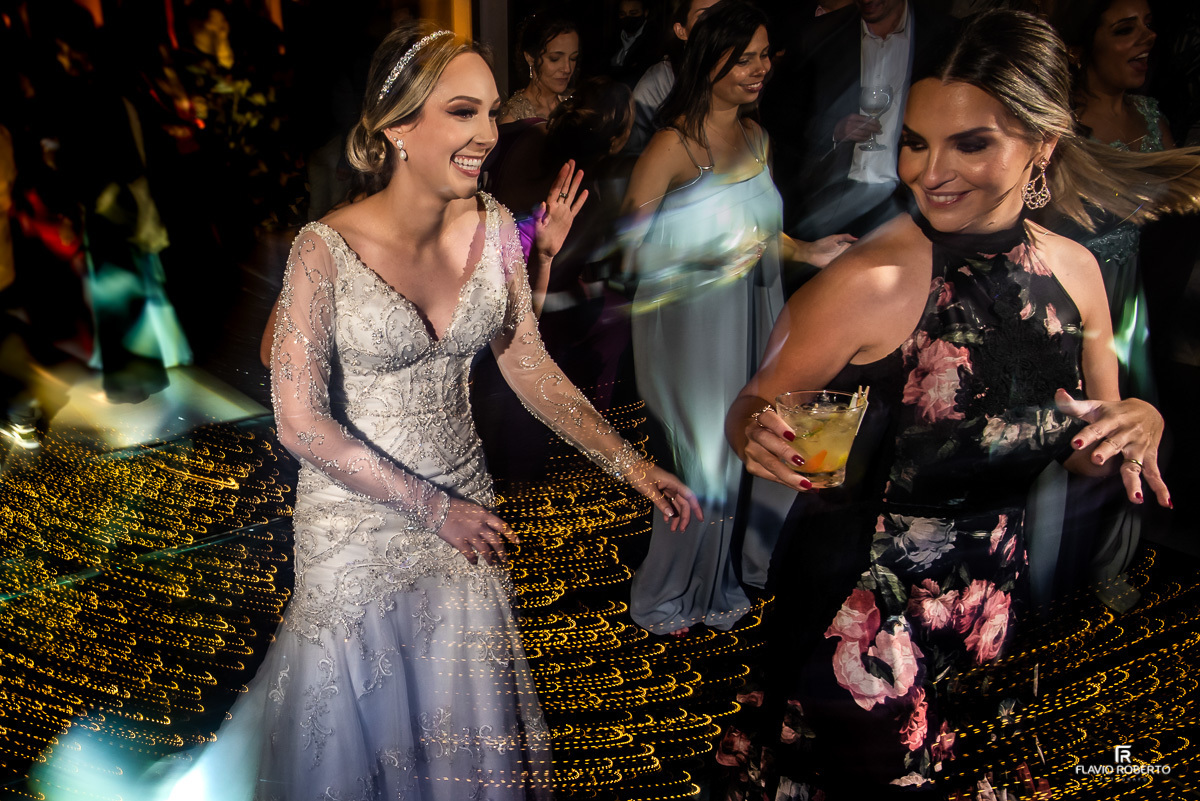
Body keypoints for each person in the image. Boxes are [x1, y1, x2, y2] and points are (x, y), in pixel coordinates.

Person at [185, 23, 702, 801]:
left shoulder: (495, 227)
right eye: (464, 112)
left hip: (466, 507)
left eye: (492, 112)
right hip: (356, 522)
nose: (487, 135)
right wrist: (435, 508)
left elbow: (527, 364)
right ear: (398, 127)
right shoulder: (321, 250)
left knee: (457, 726)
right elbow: (298, 423)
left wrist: (633, 465)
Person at [725, 10, 1195, 796]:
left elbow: (1087, 446)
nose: (926, 170)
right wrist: (751, 429)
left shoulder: (1078, 276)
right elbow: (755, 403)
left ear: (1042, 143)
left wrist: (1141, 421)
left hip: (990, 610)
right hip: (860, 615)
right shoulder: (867, 281)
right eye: (915, 139)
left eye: (970, 142)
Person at [620, 1, 855, 638]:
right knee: (704, 461)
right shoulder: (674, 147)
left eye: (763, 55)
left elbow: (761, 232)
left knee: (758, 437)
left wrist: (808, 250)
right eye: (745, 57)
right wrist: (707, 253)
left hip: (757, 309)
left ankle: (734, 571)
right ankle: (671, 589)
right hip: (694, 325)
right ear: (710, 59)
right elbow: (631, 253)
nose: (760, 69)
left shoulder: (756, 137)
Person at [762, 0, 956, 239]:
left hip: (908, 203)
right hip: (830, 202)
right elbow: (778, 113)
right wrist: (832, 129)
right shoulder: (820, 33)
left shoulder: (945, 35)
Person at [626, 0, 721, 154]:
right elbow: (635, 149)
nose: (717, 23)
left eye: (724, 14)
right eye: (704, 15)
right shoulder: (659, 80)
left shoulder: (741, 74)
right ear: (681, 30)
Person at [498, 14, 579, 124]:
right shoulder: (514, 119)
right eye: (554, 59)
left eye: (573, 58)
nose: (567, 68)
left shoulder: (577, 103)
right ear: (530, 58)